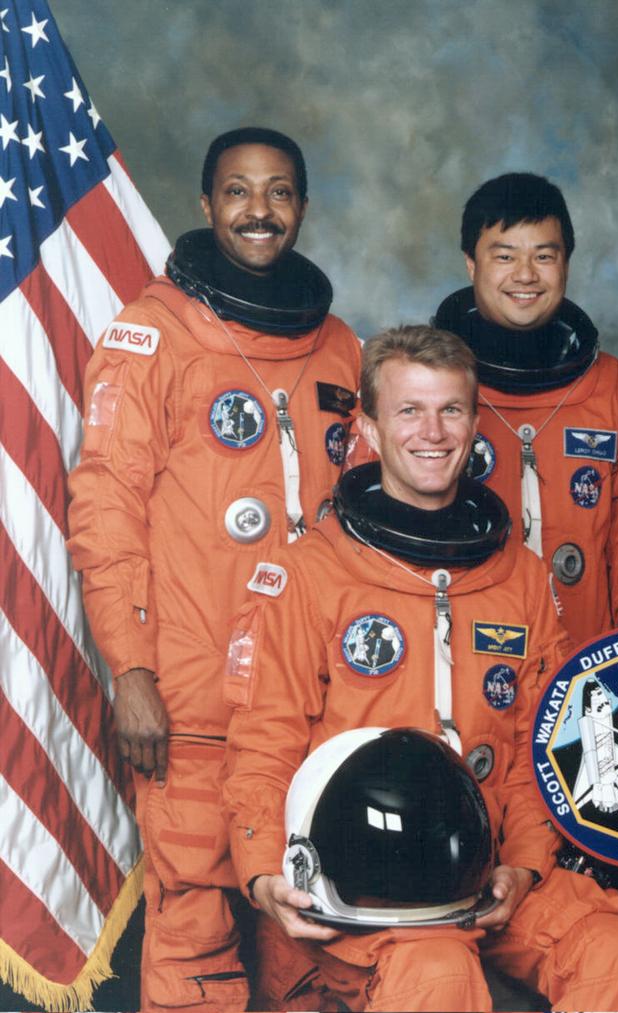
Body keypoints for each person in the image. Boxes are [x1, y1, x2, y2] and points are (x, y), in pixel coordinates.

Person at [221, 326, 618, 1011]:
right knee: (439, 971)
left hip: (490, 867)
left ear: (476, 422)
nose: (433, 431)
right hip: (367, 876)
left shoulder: (522, 577)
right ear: (367, 426)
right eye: (408, 410)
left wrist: (525, 865)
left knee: (613, 957)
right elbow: (263, 745)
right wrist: (260, 871)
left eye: (450, 409)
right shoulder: (310, 574)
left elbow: (541, 750)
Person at [67, 127, 362, 1011]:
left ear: (302, 208)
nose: (259, 211)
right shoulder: (152, 334)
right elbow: (105, 509)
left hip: (308, 701)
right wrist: (133, 670)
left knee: (307, 935)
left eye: (278, 192)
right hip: (192, 702)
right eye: (238, 191)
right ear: (205, 206)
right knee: (195, 940)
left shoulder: (340, 345)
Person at [432, 173, 618, 643]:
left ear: (566, 264)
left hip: (587, 664)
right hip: (464, 660)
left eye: (544, 256)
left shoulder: (613, 389)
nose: (525, 275)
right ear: (470, 264)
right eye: (504, 256)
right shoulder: (427, 383)